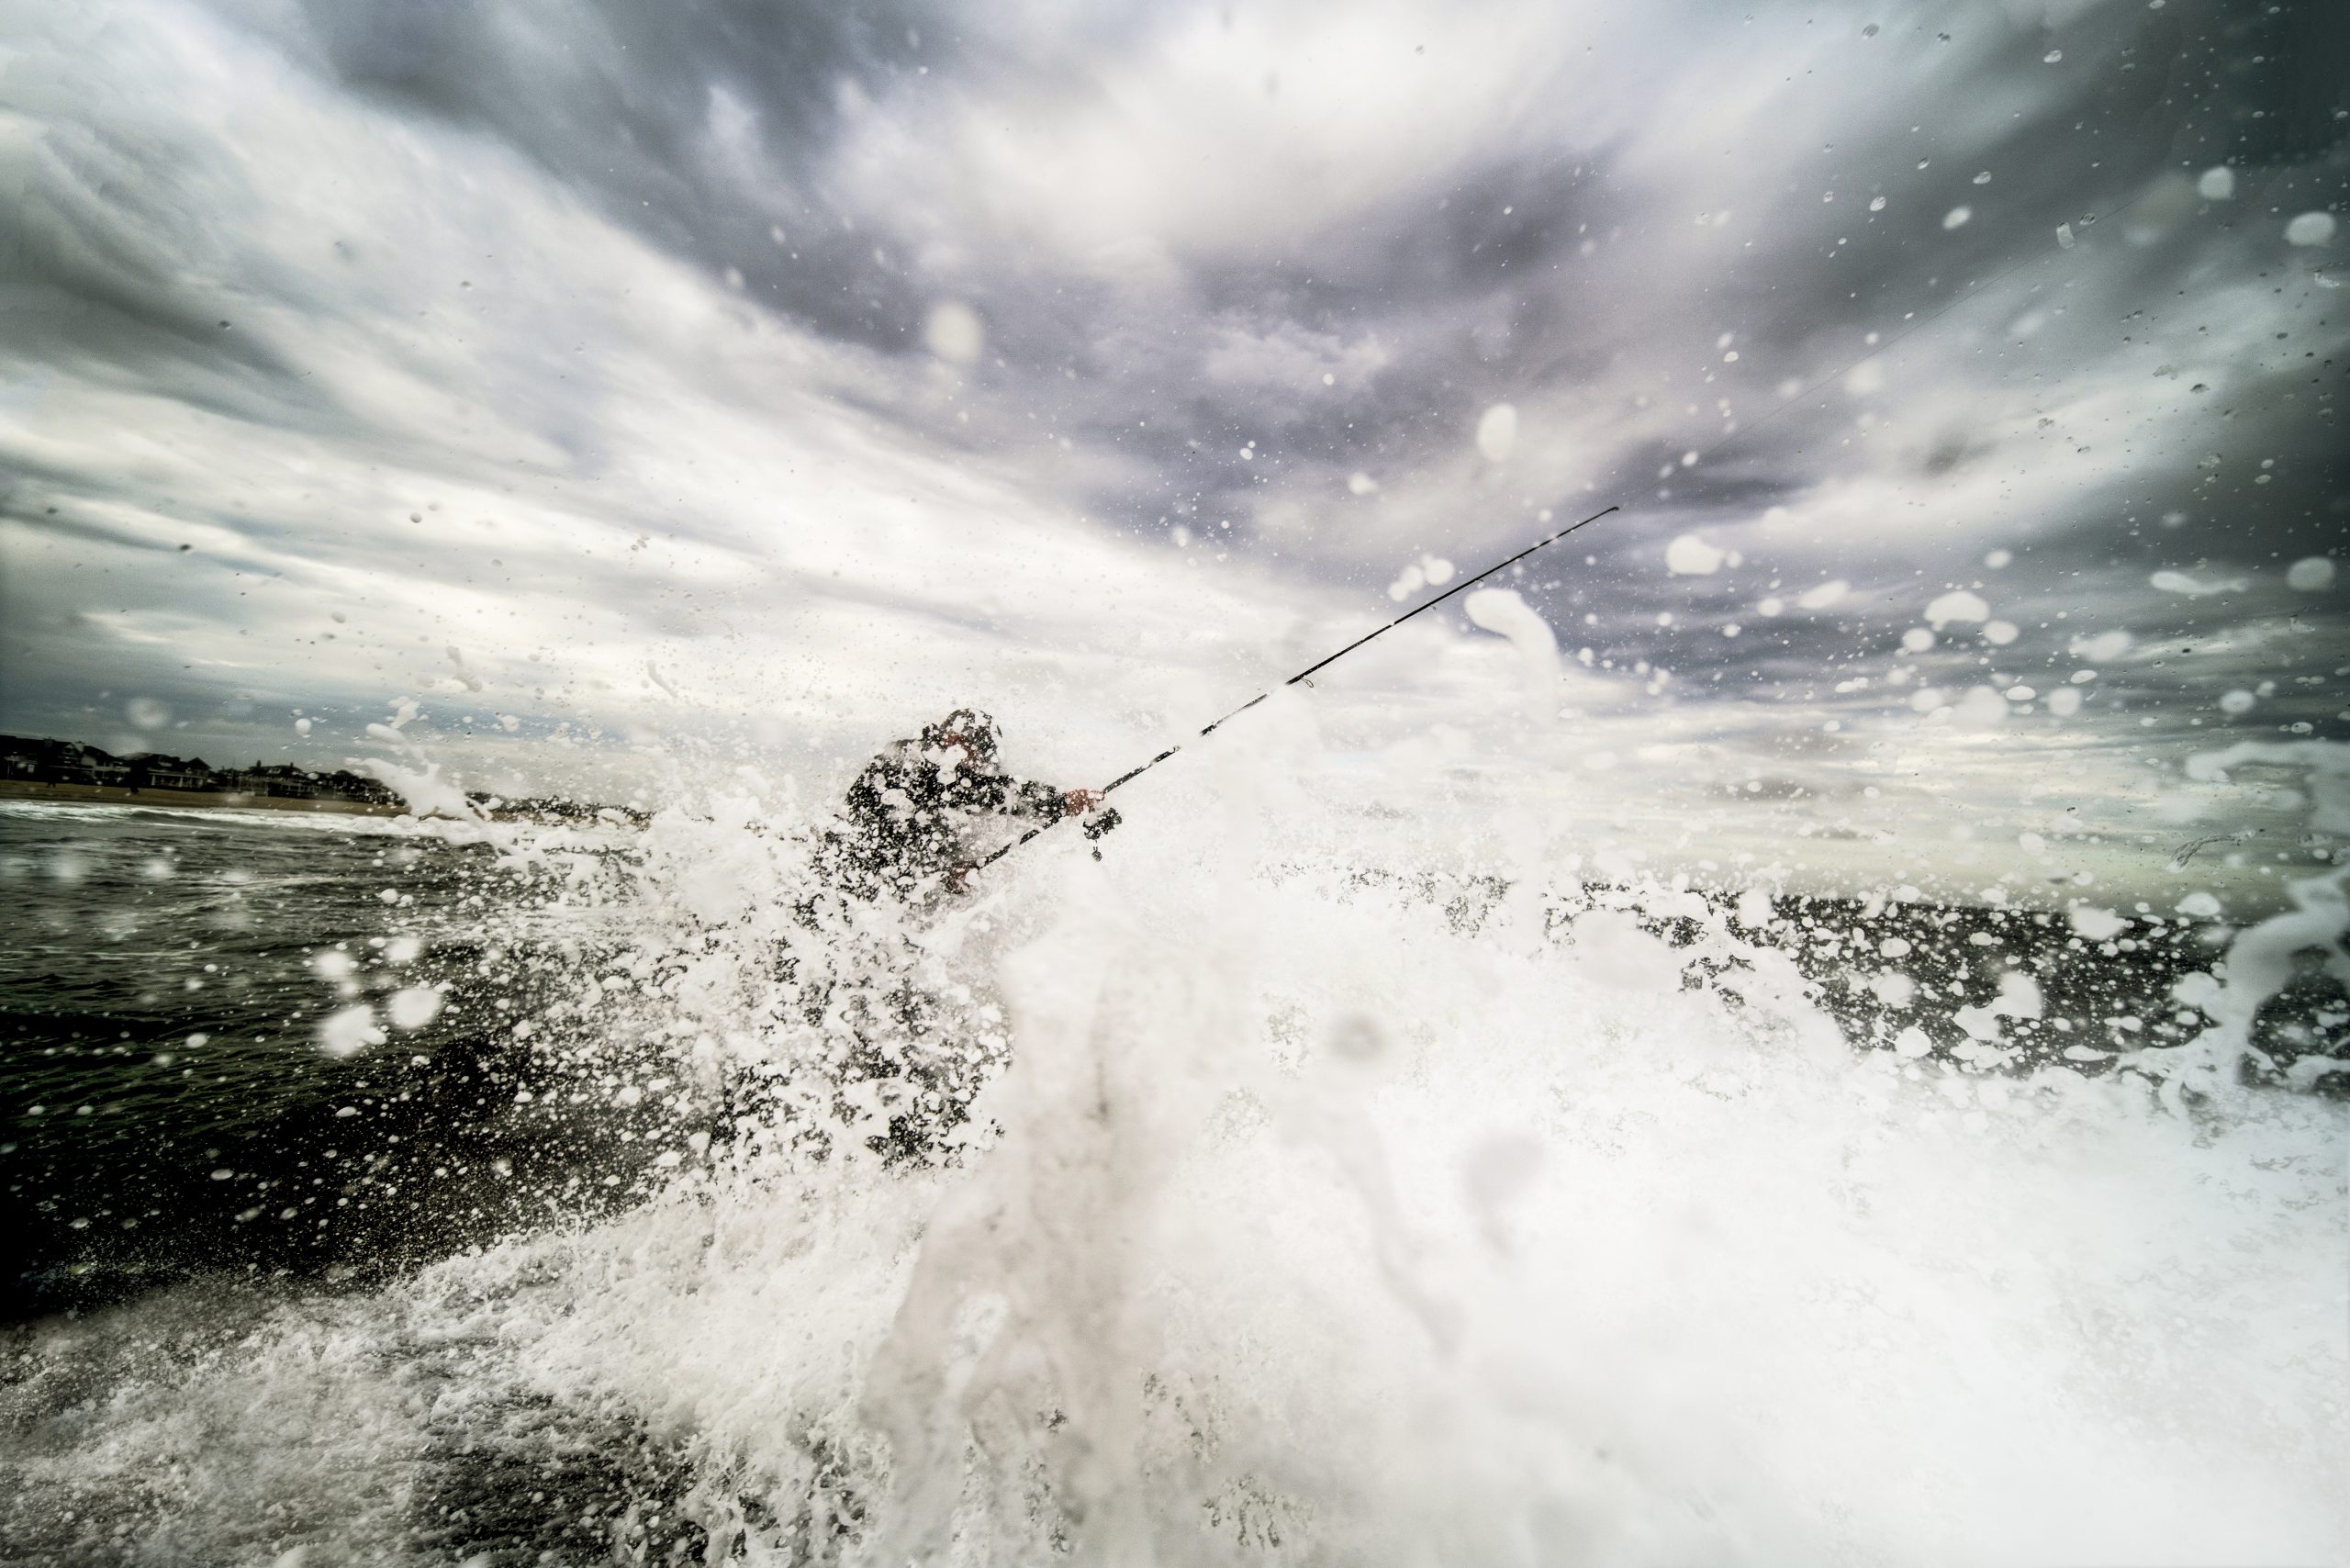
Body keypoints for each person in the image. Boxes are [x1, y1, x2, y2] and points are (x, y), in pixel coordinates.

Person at [833, 708, 1104, 902]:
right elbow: (989, 792)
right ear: (957, 739)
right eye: (977, 757)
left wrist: (944, 873)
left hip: (869, 888)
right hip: (849, 882)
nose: (977, 767)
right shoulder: (912, 763)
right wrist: (1061, 802)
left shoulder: (930, 772)